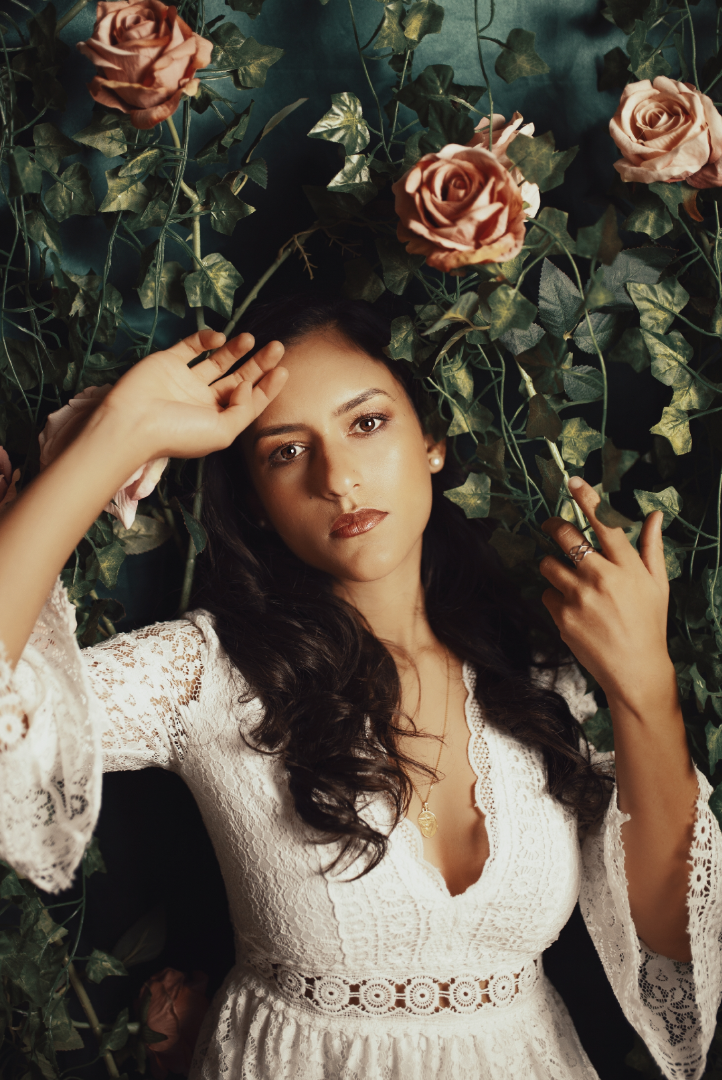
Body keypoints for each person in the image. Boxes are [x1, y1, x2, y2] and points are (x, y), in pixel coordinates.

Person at [0, 296, 719, 1080]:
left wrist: (646, 683)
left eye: (367, 422)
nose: (338, 478)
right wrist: (119, 433)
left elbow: (671, 938)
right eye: (285, 451)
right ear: (258, 505)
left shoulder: (537, 676)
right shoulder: (205, 673)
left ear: (432, 440)